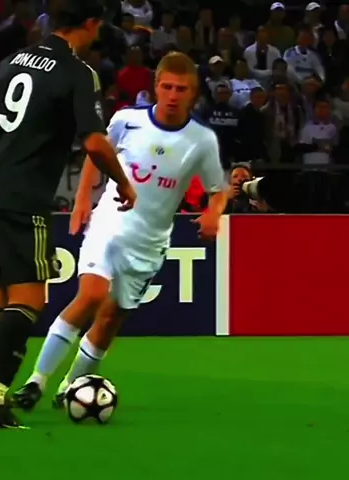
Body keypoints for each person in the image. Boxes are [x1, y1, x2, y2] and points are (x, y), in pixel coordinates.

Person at [0, 0, 136, 428]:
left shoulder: (14, 60)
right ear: (91, 24)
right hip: (24, 196)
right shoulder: (77, 72)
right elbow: (94, 141)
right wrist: (123, 183)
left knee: (3, 293)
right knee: (30, 297)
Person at [13, 51, 229, 411]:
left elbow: (218, 189)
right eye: (167, 87)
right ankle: (36, 381)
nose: (173, 95)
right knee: (91, 295)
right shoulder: (127, 120)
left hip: (150, 241)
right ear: (155, 87)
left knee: (112, 317)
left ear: (193, 93)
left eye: (181, 89)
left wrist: (213, 213)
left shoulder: (202, 140)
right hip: (110, 221)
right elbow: (97, 154)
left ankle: (70, 387)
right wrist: (83, 199)